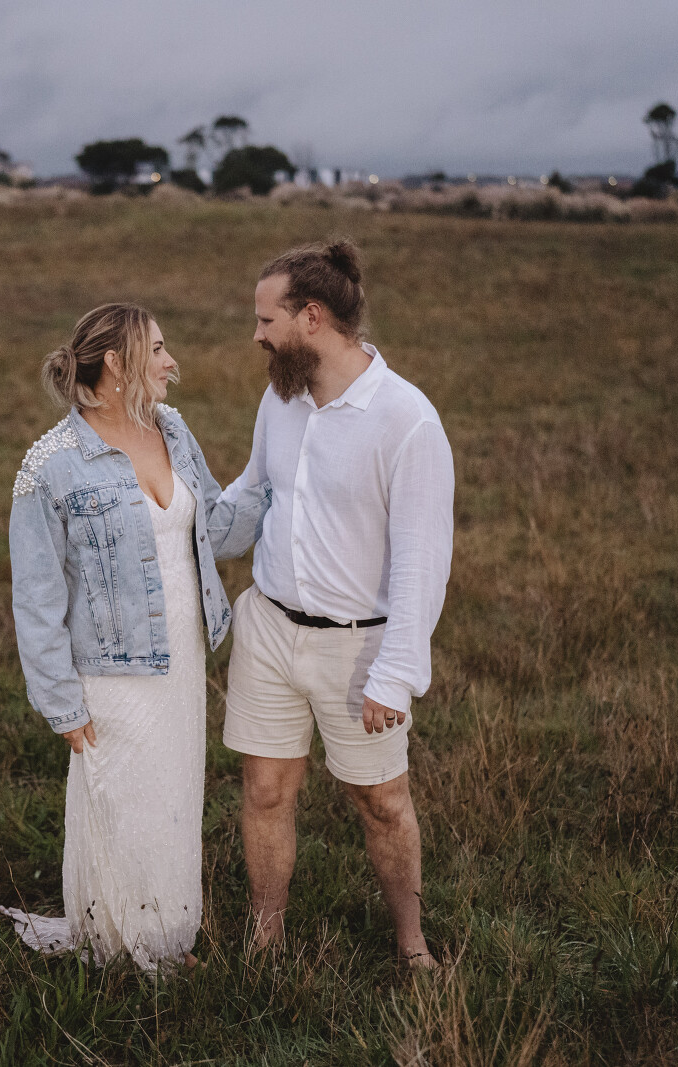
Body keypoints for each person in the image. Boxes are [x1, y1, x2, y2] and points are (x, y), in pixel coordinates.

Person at [1, 302, 269, 973]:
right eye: (158, 350)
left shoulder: (172, 429)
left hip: (182, 657)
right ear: (117, 363)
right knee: (121, 801)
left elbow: (215, 527)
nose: (172, 363)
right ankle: (126, 945)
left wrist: (274, 473)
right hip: (110, 671)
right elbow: (36, 599)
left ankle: (165, 935)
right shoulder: (51, 466)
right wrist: (61, 702)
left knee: (173, 797)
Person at [219, 240, 454, 969]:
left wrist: (396, 675)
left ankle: (411, 947)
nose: (257, 335)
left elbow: (422, 562)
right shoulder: (281, 398)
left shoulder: (407, 421)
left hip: (359, 648)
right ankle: (266, 940)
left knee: (381, 801)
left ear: (312, 318)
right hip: (268, 628)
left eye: (267, 320)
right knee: (265, 791)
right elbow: (253, 492)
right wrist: (177, 520)